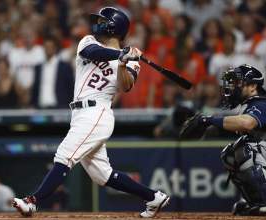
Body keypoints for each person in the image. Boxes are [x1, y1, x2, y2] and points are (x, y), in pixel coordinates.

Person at [12, 7, 169, 218]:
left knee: (64, 155)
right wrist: (120, 54)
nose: (97, 24)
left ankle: (33, 201)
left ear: (114, 27)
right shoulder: (88, 42)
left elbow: (126, 86)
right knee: (102, 175)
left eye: (102, 21)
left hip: (97, 113)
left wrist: (123, 62)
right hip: (80, 114)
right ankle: (154, 198)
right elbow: (93, 54)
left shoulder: (131, 60)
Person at [181, 64, 266, 215]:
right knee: (231, 155)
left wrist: (208, 120)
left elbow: (247, 123)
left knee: (246, 148)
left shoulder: (262, 103)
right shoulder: (250, 105)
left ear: (252, 86)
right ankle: (257, 200)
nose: (233, 86)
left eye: (238, 82)